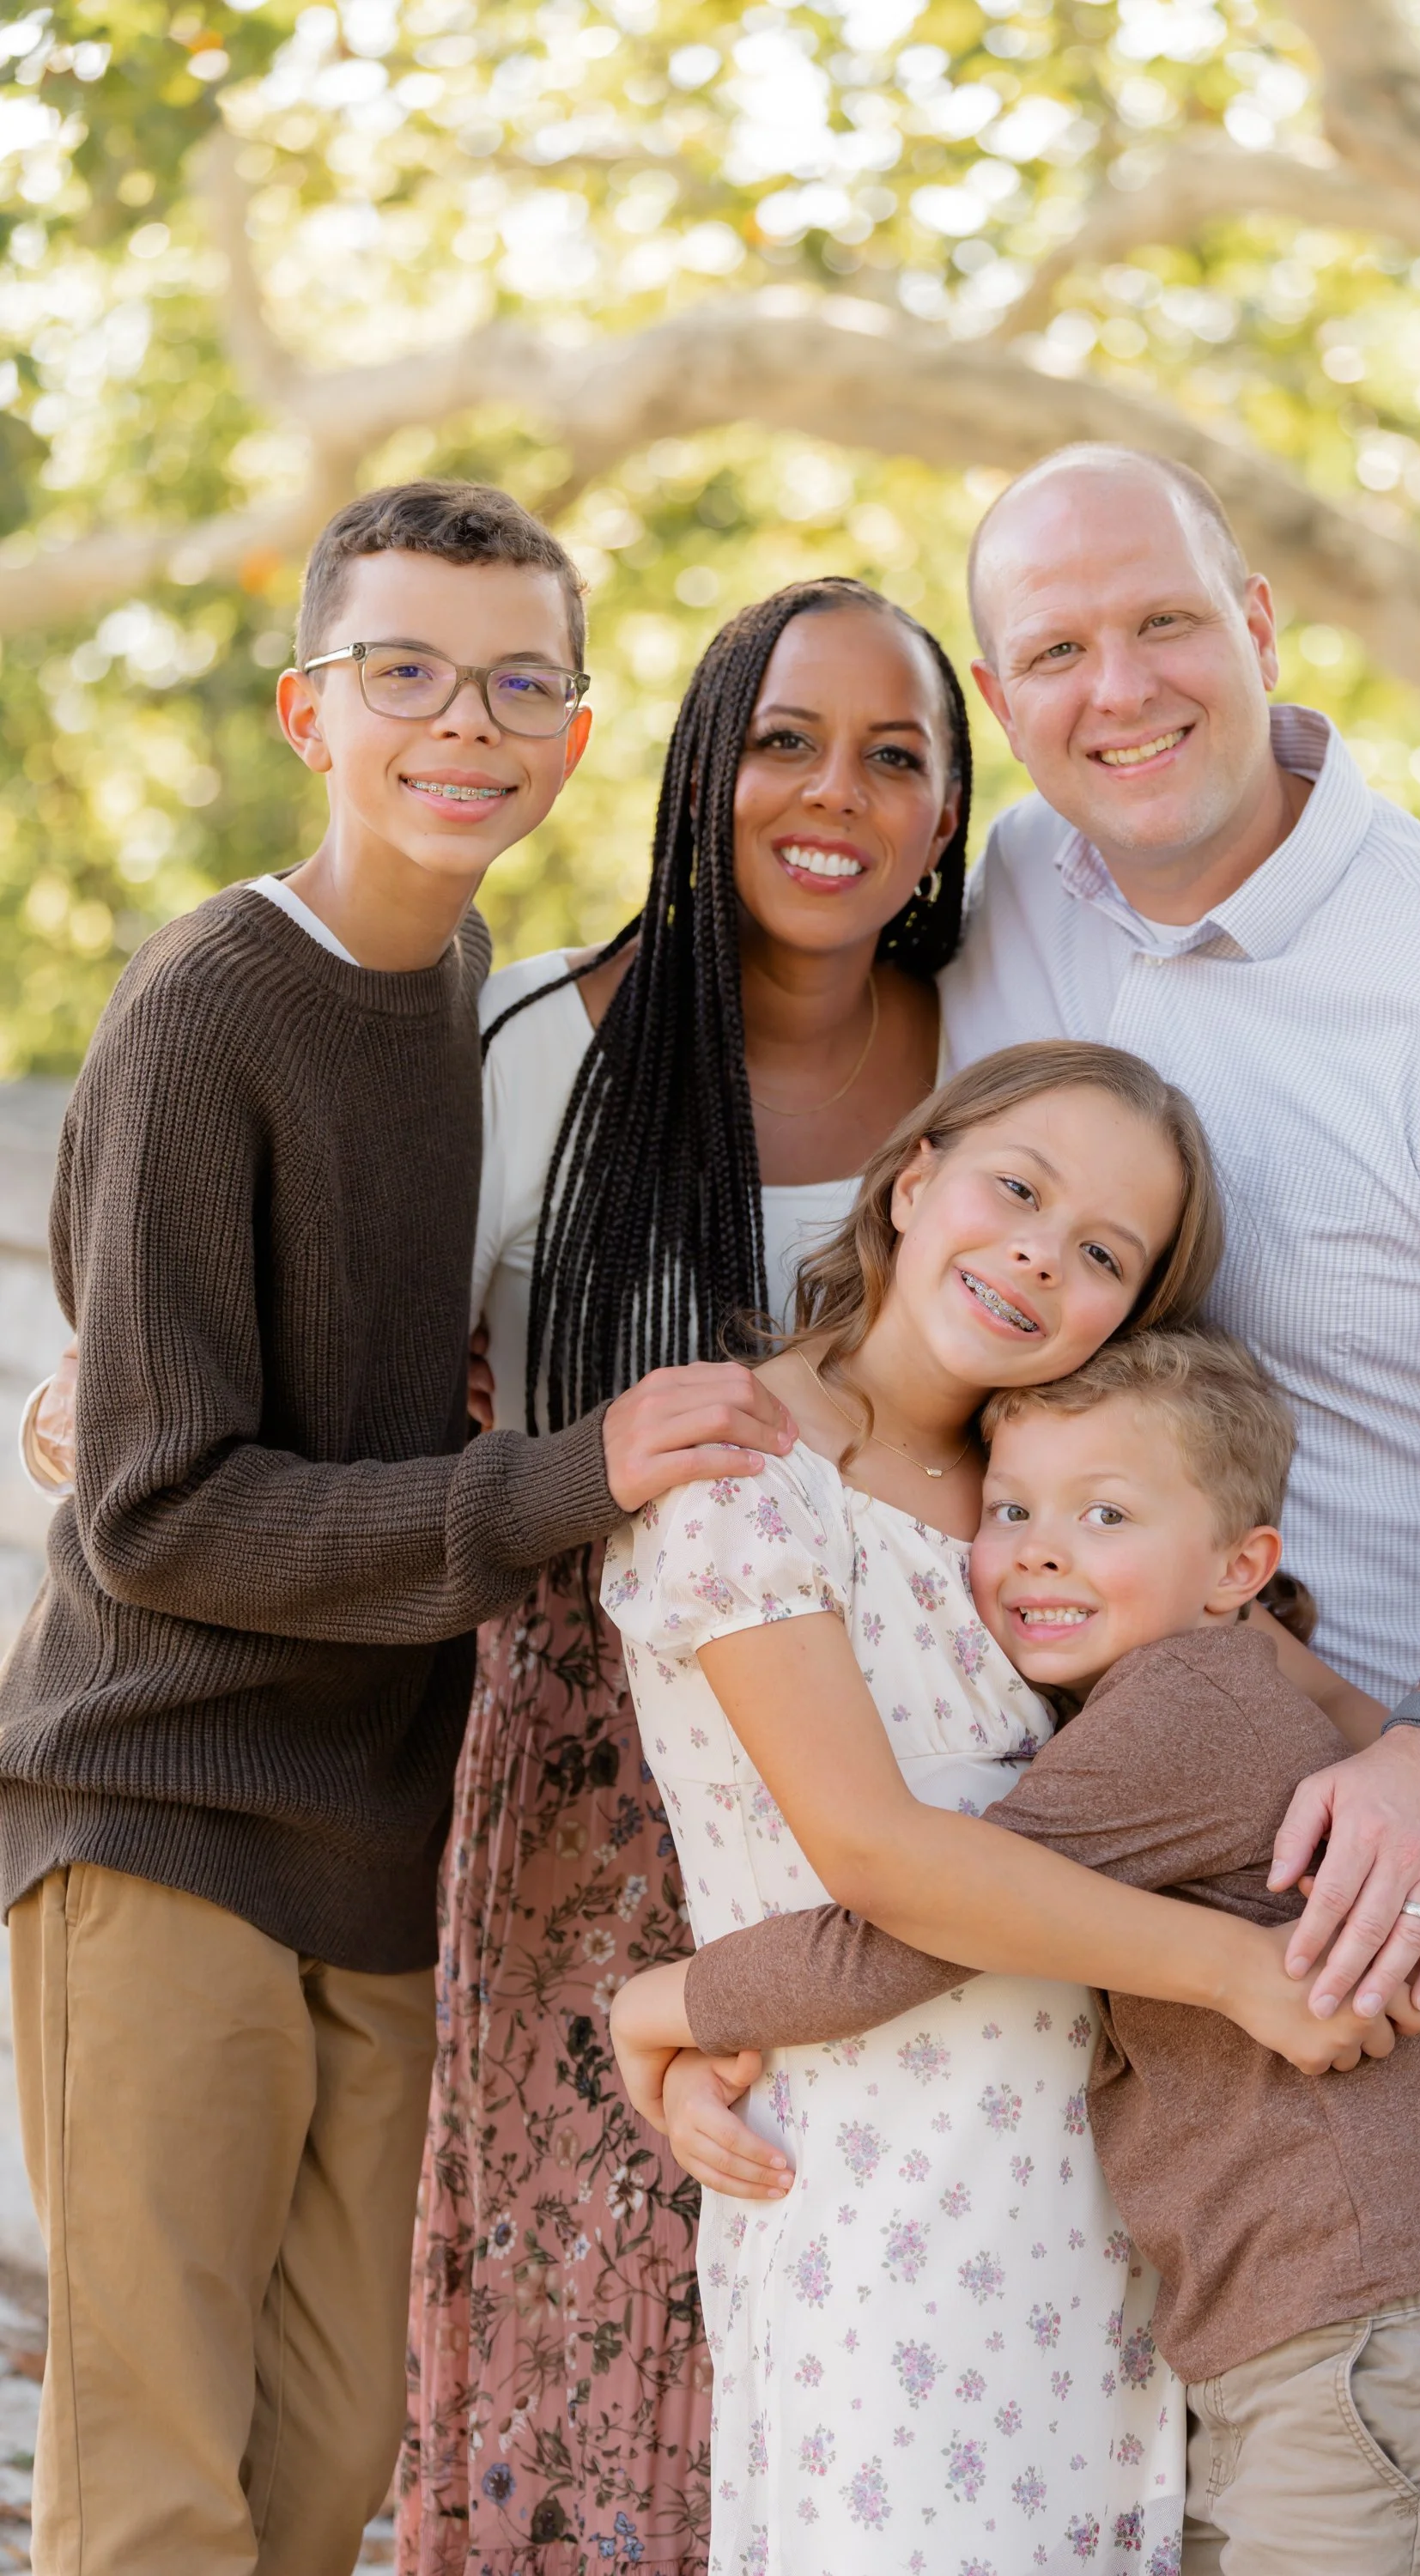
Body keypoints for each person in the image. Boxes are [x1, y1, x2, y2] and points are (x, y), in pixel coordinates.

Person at [935, 445, 1420, 2576]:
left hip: (1412, 1836)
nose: (1122, 686)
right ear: (1006, 700)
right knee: (1110, 2476)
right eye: (1057, 651)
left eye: (1163, 620)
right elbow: (740, 1028)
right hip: (1085, 1836)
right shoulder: (1000, 896)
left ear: (1260, 624)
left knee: (1398, 2473)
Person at [0, 481, 789, 2576]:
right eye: (409, 673)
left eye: (520, 679)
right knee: (153, 2490)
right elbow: (158, 1509)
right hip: (161, 1805)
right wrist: (571, 1468)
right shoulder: (207, 1016)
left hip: (382, 1837)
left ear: (577, 732)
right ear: (309, 708)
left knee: (334, 2466)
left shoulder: (494, 1021)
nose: (467, 720)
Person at [600, 1043, 1420, 2576]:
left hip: (1117, 2213)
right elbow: (881, 1858)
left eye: (1104, 1251)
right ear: (916, 1181)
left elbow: (1334, 1725)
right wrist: (1242, 1971)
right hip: (879, 2200)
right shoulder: (743, 1479)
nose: (1043, 1252)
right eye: (1017, 1189)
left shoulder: (1045, 1501)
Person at [398, 578, 975, 2573]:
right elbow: (369, 1384)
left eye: (897, 754)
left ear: (948, 807)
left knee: (862, 2356)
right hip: (587, 1785)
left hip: (902, 1795)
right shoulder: (532, 1052)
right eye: (786, 739)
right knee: (592, 2341)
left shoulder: (996, 1068)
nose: (837, 794)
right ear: (698, 760)